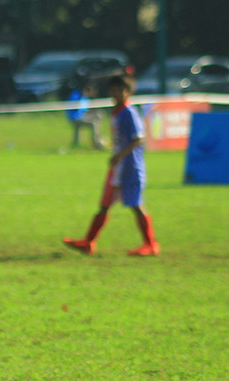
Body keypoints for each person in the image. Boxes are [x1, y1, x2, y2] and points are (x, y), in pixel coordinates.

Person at [63, 73, 159, 256]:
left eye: (120, 90)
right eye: (113, 90)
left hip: (130, 168)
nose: (116, 93)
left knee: (136, 205)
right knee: (104, 205)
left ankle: (151, 245)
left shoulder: (129, 112)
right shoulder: (116, 112)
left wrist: (120, 156)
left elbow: (138, 139)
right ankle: (88, 242)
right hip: (116, 168)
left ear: (128, 92)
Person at [66, 82, 105, 150]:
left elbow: (85, 110)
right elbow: (75, 108)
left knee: (98, 115)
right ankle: (96, 143)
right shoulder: (77, 95)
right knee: (93, 124)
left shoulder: (85, 98)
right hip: (75, 118)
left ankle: (77, 144)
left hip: (80, 116)